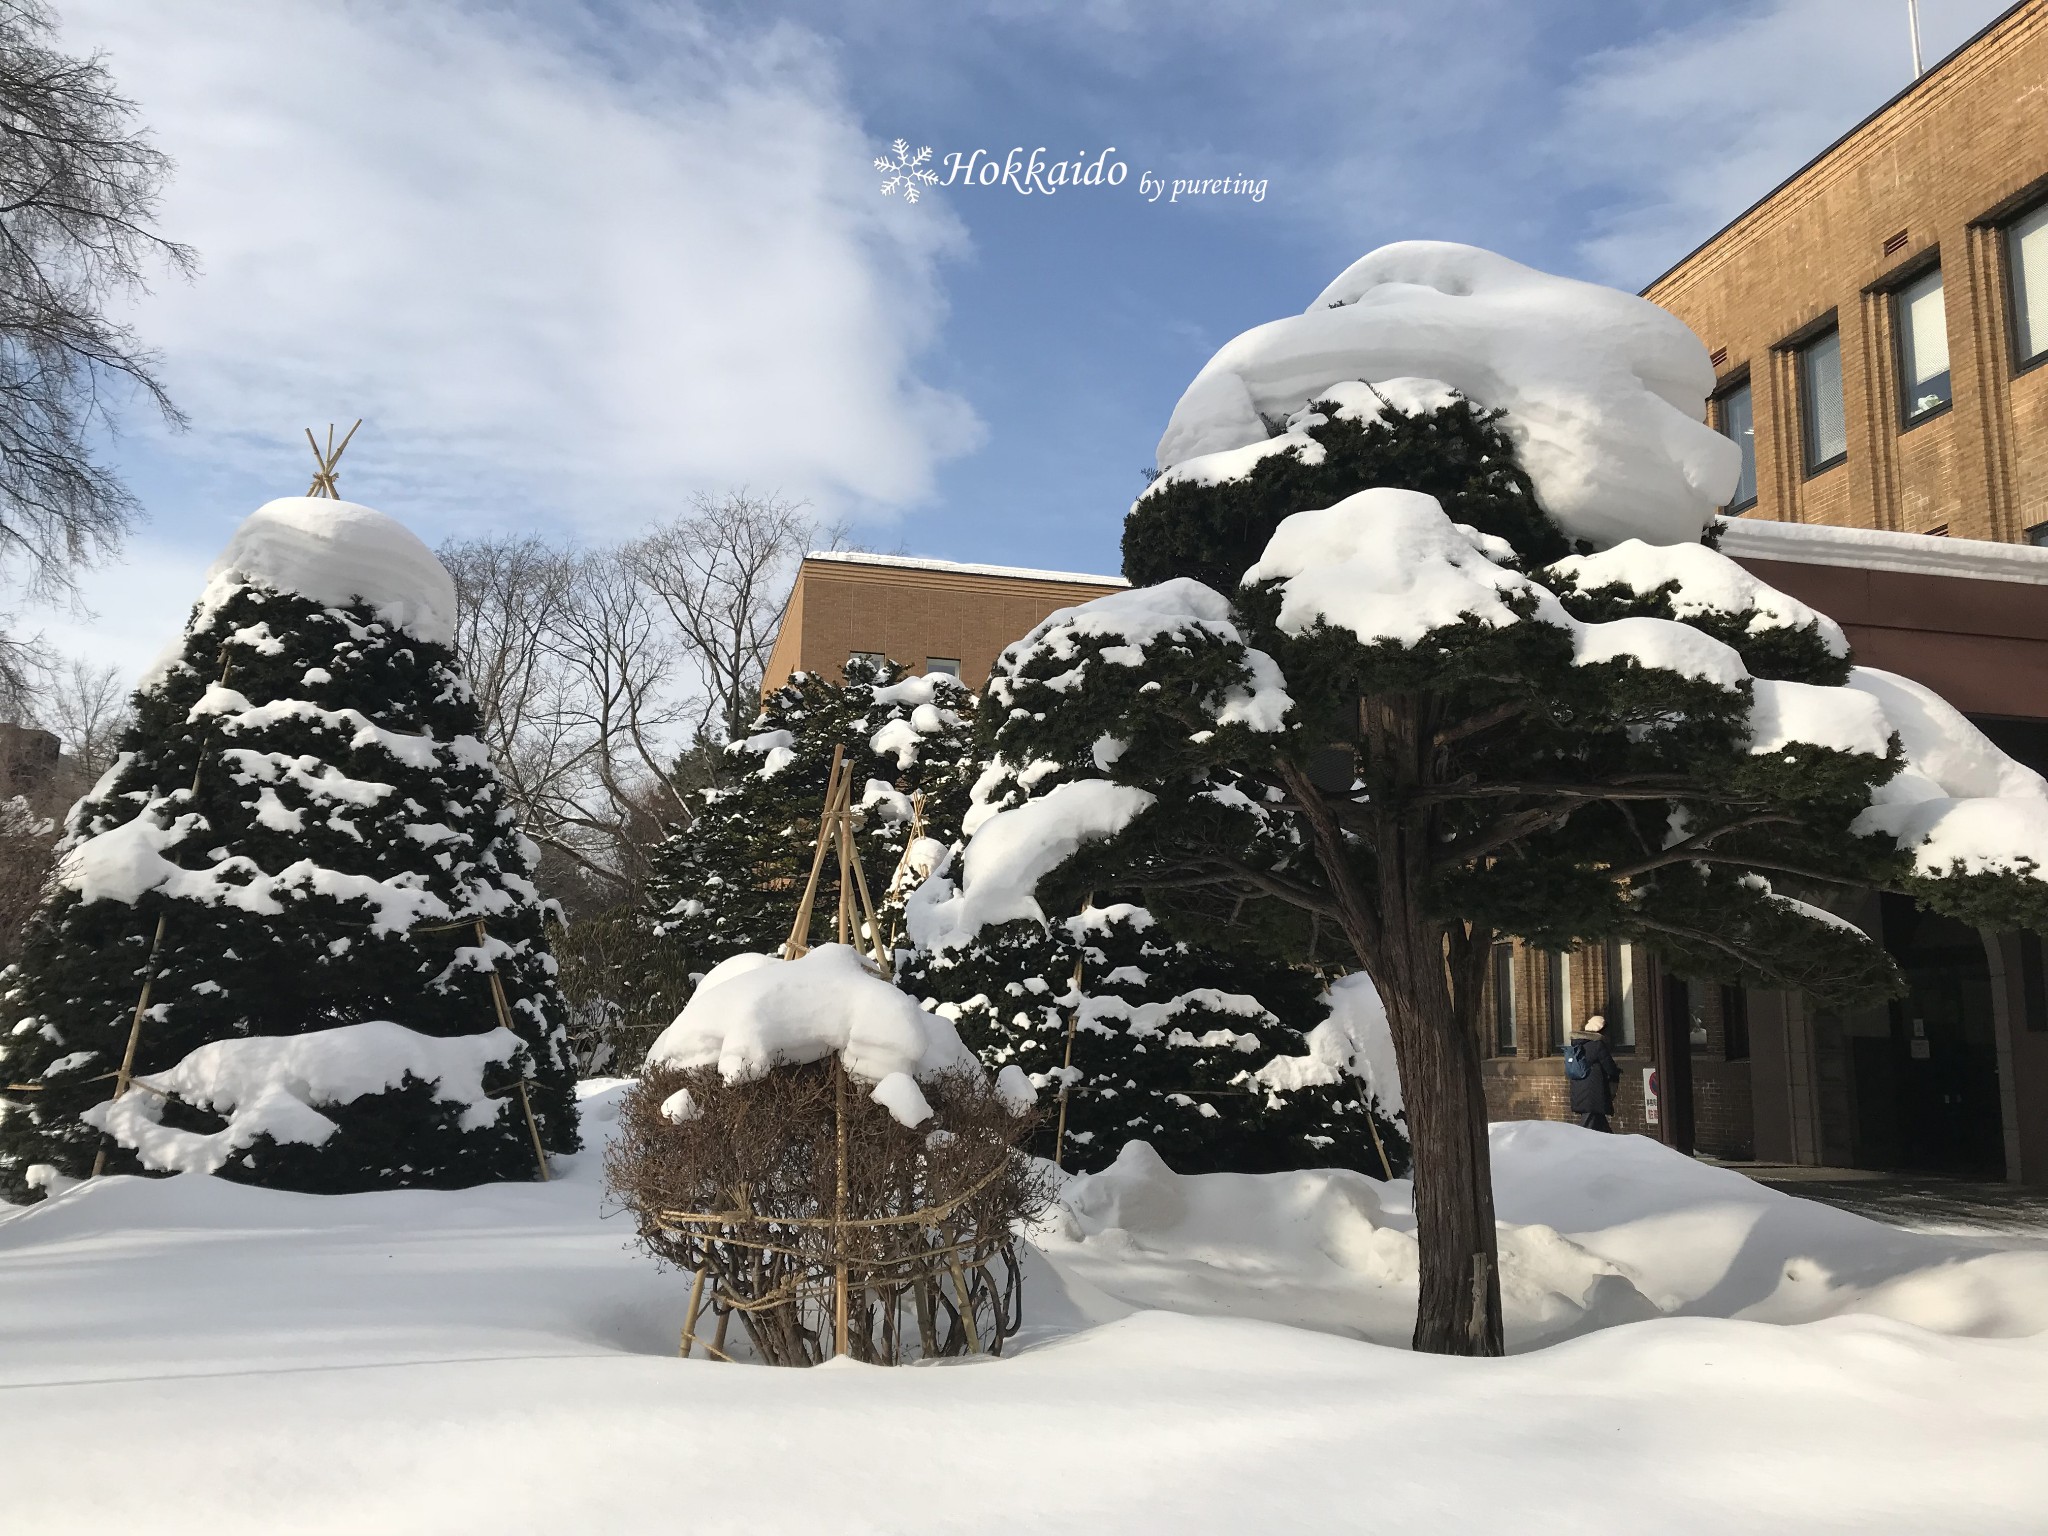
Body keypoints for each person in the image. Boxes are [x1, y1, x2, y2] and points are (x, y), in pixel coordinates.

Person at [1567, 1014, 1623, 1133]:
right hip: (1593, 1092)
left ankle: (1612, 1144)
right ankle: (1575, 1147)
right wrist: (1616, 1073)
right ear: (1600, 1030)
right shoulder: (1597, 1045)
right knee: (1586, 1127)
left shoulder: (1577, 1045)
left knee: (1600, 1125)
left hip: (1579, 1089)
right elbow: (1609, 1066)